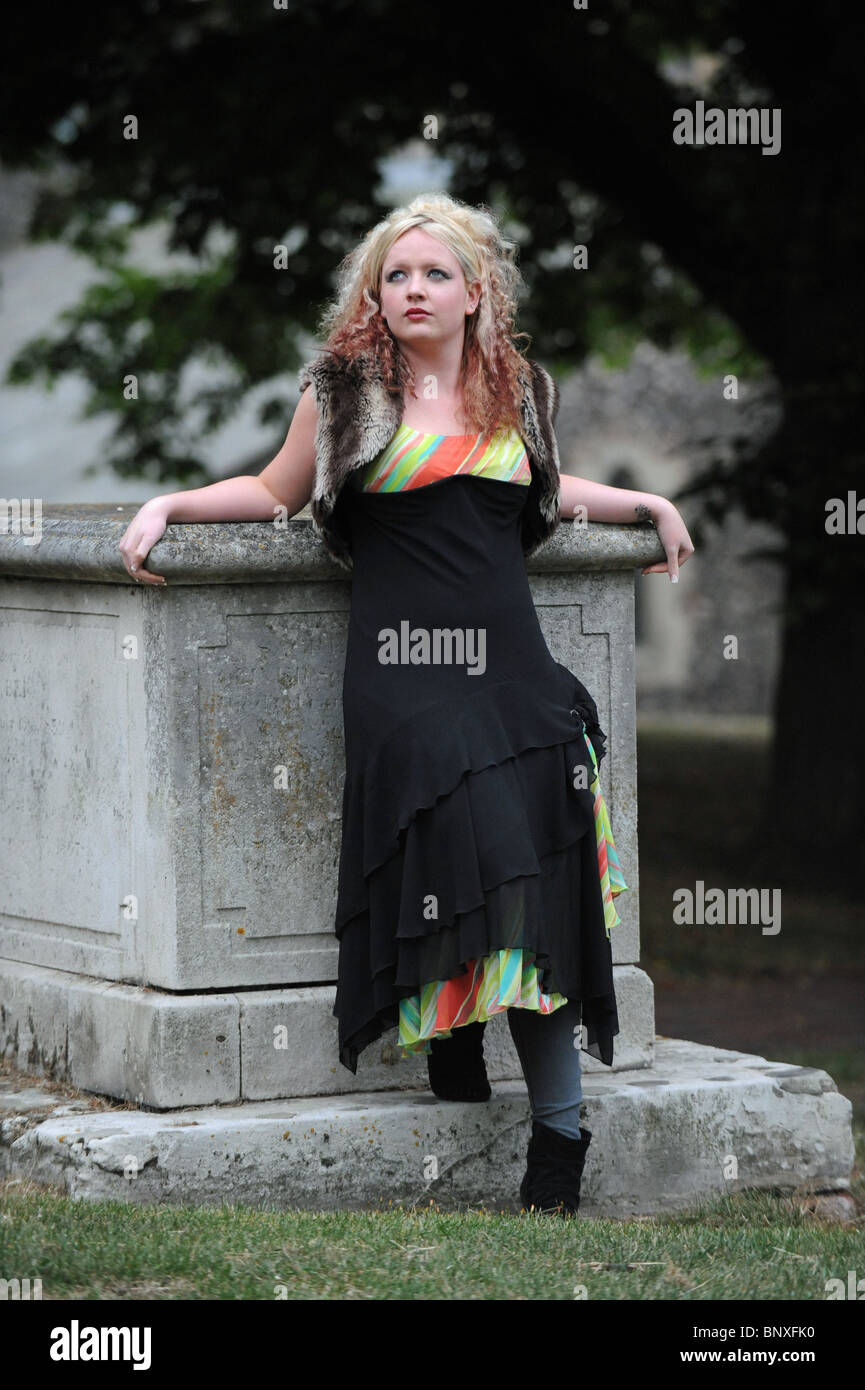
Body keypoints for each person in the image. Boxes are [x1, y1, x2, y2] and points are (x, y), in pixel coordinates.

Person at [118, 192, 694, 1217]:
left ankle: (556, 1142)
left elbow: (553, 497)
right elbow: (273, 491)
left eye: (434, 273)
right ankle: (455, 1028)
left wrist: (644, 501)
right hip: (402, 675)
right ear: (374, 296)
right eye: (396, 275)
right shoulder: (343, 393)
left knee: (536, 887)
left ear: (478, 292)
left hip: (514, 674)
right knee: (464, 846)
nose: (413, 289)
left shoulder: (521, 391)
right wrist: (167, 502)